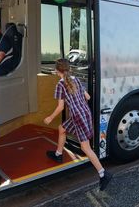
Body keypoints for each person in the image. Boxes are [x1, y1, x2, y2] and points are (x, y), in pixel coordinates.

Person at [43, 59, 112, 191]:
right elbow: (88, 97)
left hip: (77, 117)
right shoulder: (77, 80)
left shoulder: (60, 85)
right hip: (85, 113)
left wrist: (50, 117)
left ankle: (103, 174)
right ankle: (58, 154)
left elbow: (61, 107)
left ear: (57, 71)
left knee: (85, 148)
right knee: (62, 129)